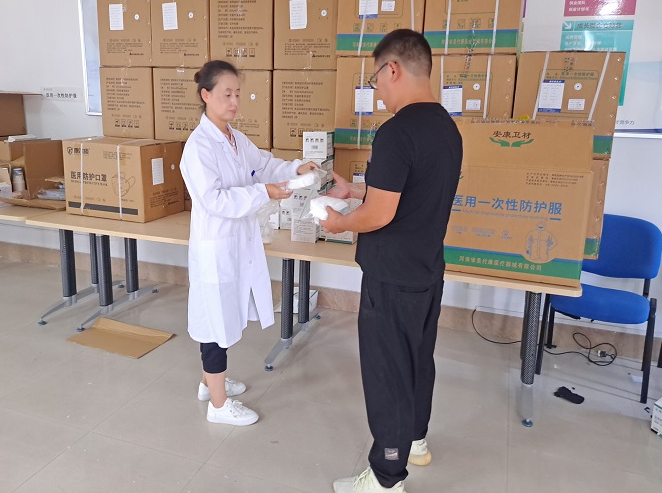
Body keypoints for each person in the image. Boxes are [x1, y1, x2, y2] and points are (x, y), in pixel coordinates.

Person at [321, 30, 463, 492]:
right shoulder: (445, 127)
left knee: (388, 372)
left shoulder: (397, 131)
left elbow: (380, 214)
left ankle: (385, 477)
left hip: (392, 277)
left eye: (376, 79)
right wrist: (354, 191)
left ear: (393, 69)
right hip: (426, 270)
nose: (377, 90)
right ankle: (415, 440)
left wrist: (339, 222)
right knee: (418, 359)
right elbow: (406, 190)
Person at [180, 60, 318, 427]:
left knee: (224, 315)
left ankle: (211, 383)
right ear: (205, 95)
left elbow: (264, 165)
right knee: (216, 320)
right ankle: (219, 405)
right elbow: (215, 200)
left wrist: (295, 168)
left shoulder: (235, 139)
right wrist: (263, 192)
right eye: (226, 94)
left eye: (237, 94)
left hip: (237, 243)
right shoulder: (199, 147)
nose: (234, 101)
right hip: (217, 246)